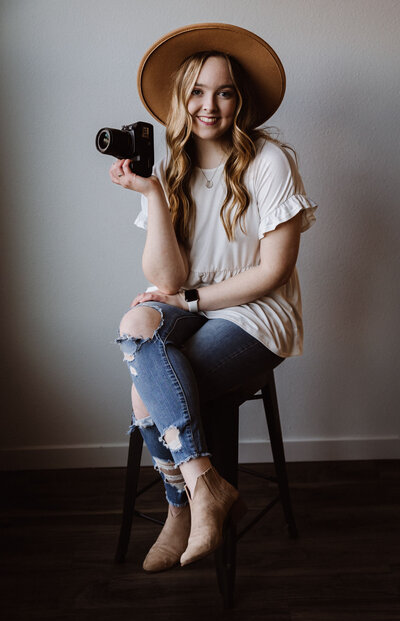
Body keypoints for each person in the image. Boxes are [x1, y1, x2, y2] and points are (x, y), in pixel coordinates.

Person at [109, 24, 317, 573]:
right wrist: (153, 193)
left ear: (239, 100)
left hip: (255, 314)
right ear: (181, 99)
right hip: (191, 302)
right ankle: (202, 488)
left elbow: (274, 272)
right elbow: (167, 278)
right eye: (197, 91)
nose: (209, 105)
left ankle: (181, 505)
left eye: (223, 92)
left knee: (146, 391)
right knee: (135, 323)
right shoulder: (172, 169)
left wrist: (192, 301)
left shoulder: (269, 161)